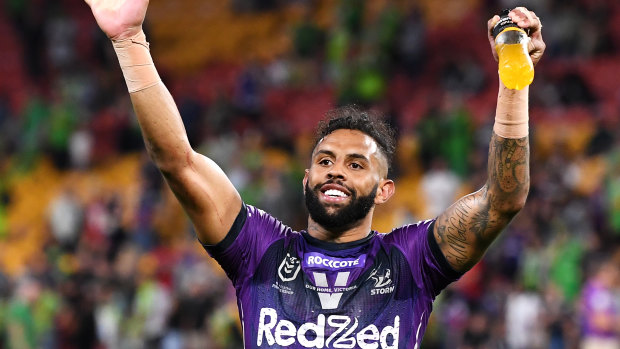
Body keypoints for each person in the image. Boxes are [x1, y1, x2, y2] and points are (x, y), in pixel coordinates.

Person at [84, 0, 545, 347]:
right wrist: (129, 40)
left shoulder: (411, 261)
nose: (336, 172)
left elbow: (502, 200)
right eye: (325, 161)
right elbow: (177, 162)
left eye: (356, 164)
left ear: (384, 190)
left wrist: (513, 81)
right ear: (306, 178)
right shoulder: (259, 250)